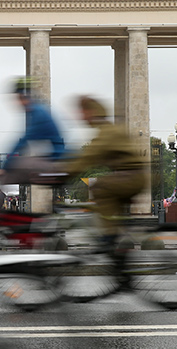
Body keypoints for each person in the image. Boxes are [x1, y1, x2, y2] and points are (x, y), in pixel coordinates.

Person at [58, 96, 148, 249]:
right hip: (132, 176)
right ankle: (118, 253)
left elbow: (89, 157)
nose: (80, 116)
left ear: (92, 112)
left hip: (131, 177)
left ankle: (110, 234)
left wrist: (65, 173)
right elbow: (89, 154)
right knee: (107, 200)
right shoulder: (106, 130)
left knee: (100, 187)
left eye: (83, 111)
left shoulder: (107, 133)